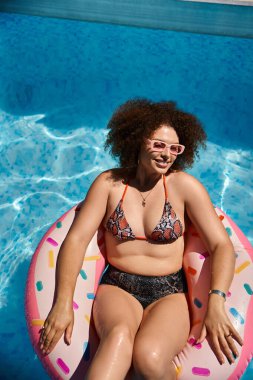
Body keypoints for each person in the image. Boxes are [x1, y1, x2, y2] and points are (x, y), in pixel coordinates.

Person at [39, 99, 243, 380]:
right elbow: (76, 240)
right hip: (119, 287)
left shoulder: (184, 187)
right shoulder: (109, 184)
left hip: (170, 292)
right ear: (136, 140)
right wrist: (62, 304)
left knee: (149, 356)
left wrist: (216, 302)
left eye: (175, 148)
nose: (167, 154)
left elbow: (221, 246)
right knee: (118, 339)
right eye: (158, 144)